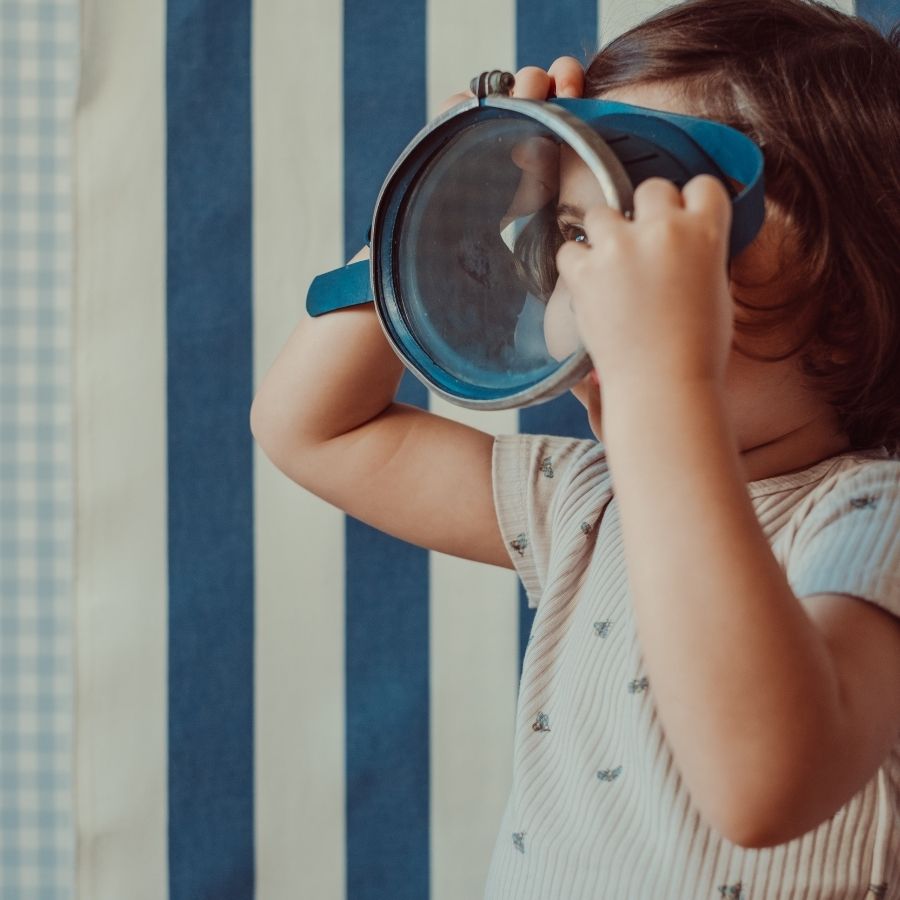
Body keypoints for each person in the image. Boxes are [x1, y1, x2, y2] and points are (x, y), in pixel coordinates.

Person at [250, 0, 900, 896]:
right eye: (573, 234)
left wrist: (664, 389)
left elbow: (763, 784)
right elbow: (313, 429)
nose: (591, 286)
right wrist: (438, 213)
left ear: (847, 305)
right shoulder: (591, 500)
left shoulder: (874, 522)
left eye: (658, 234)